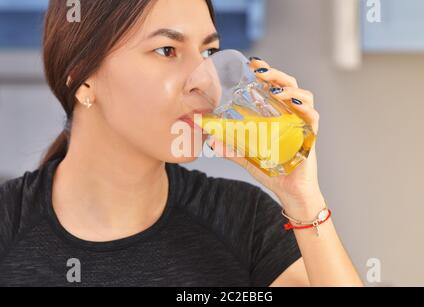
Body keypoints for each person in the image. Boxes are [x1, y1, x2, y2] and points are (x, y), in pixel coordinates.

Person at [0, 0, 362, 287]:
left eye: (208, 53)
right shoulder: (8, 224)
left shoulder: (244, 221)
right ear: (82, 78)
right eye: (167, 50)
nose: (205, 83)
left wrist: (302, 197)